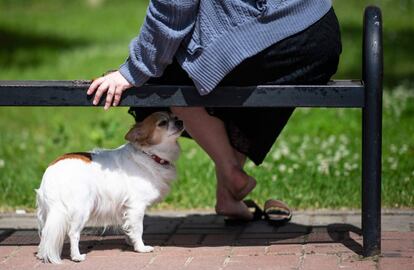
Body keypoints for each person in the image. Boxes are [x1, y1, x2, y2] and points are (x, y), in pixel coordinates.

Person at [87, 0, 342, 220]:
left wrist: (135, 69)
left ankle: (230, 172)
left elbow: (175, 6)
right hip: (318, 27)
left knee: (165, 80)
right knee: (220, 65)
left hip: (276, 31)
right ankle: (228, 196)